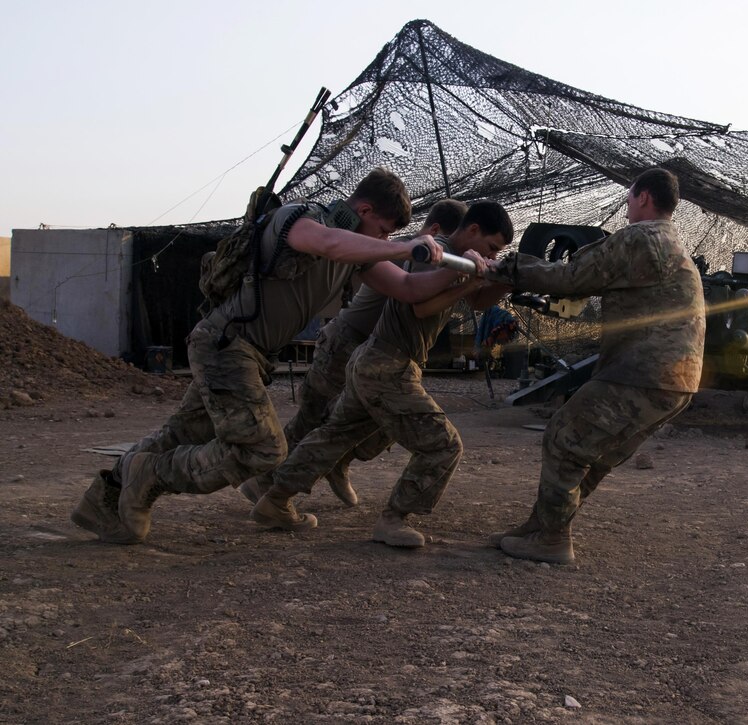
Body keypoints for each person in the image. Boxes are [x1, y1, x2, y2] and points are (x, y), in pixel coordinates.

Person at [71, 169, 469, 544]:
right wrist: (404, 246)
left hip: (245, 353)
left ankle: (102, 501)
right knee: (261, 449)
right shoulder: (300, 218)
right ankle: (148, 475)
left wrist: (467, 272)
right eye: (382, 231)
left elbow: (410, 290)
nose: (383, 243)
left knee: (182, 435)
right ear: (363, 211)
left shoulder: (359, 255)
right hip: (228, 345)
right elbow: (328, 242)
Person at [251, 200, 513, 547]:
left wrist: (503, 280)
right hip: (389, 365)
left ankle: (275, 498)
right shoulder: (441, 253)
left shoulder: (461, 260)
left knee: (335, 436)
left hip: (374, 360)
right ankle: (394, 519)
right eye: (492, 247)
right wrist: (468, 281)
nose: (491, 254)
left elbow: (478, 303)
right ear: (474, 230)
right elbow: (421, 306)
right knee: (443, 445)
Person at [485, 167, 706, 564]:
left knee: (562, 437)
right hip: (678, 381)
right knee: (594, 454)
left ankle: (552, 538)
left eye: (629, 196)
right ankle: (542, 526)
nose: (626, 204)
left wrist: (509, 268)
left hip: (641, 373)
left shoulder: (640, 237)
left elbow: (572, 277)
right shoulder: (672, 244)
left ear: (643, 197)